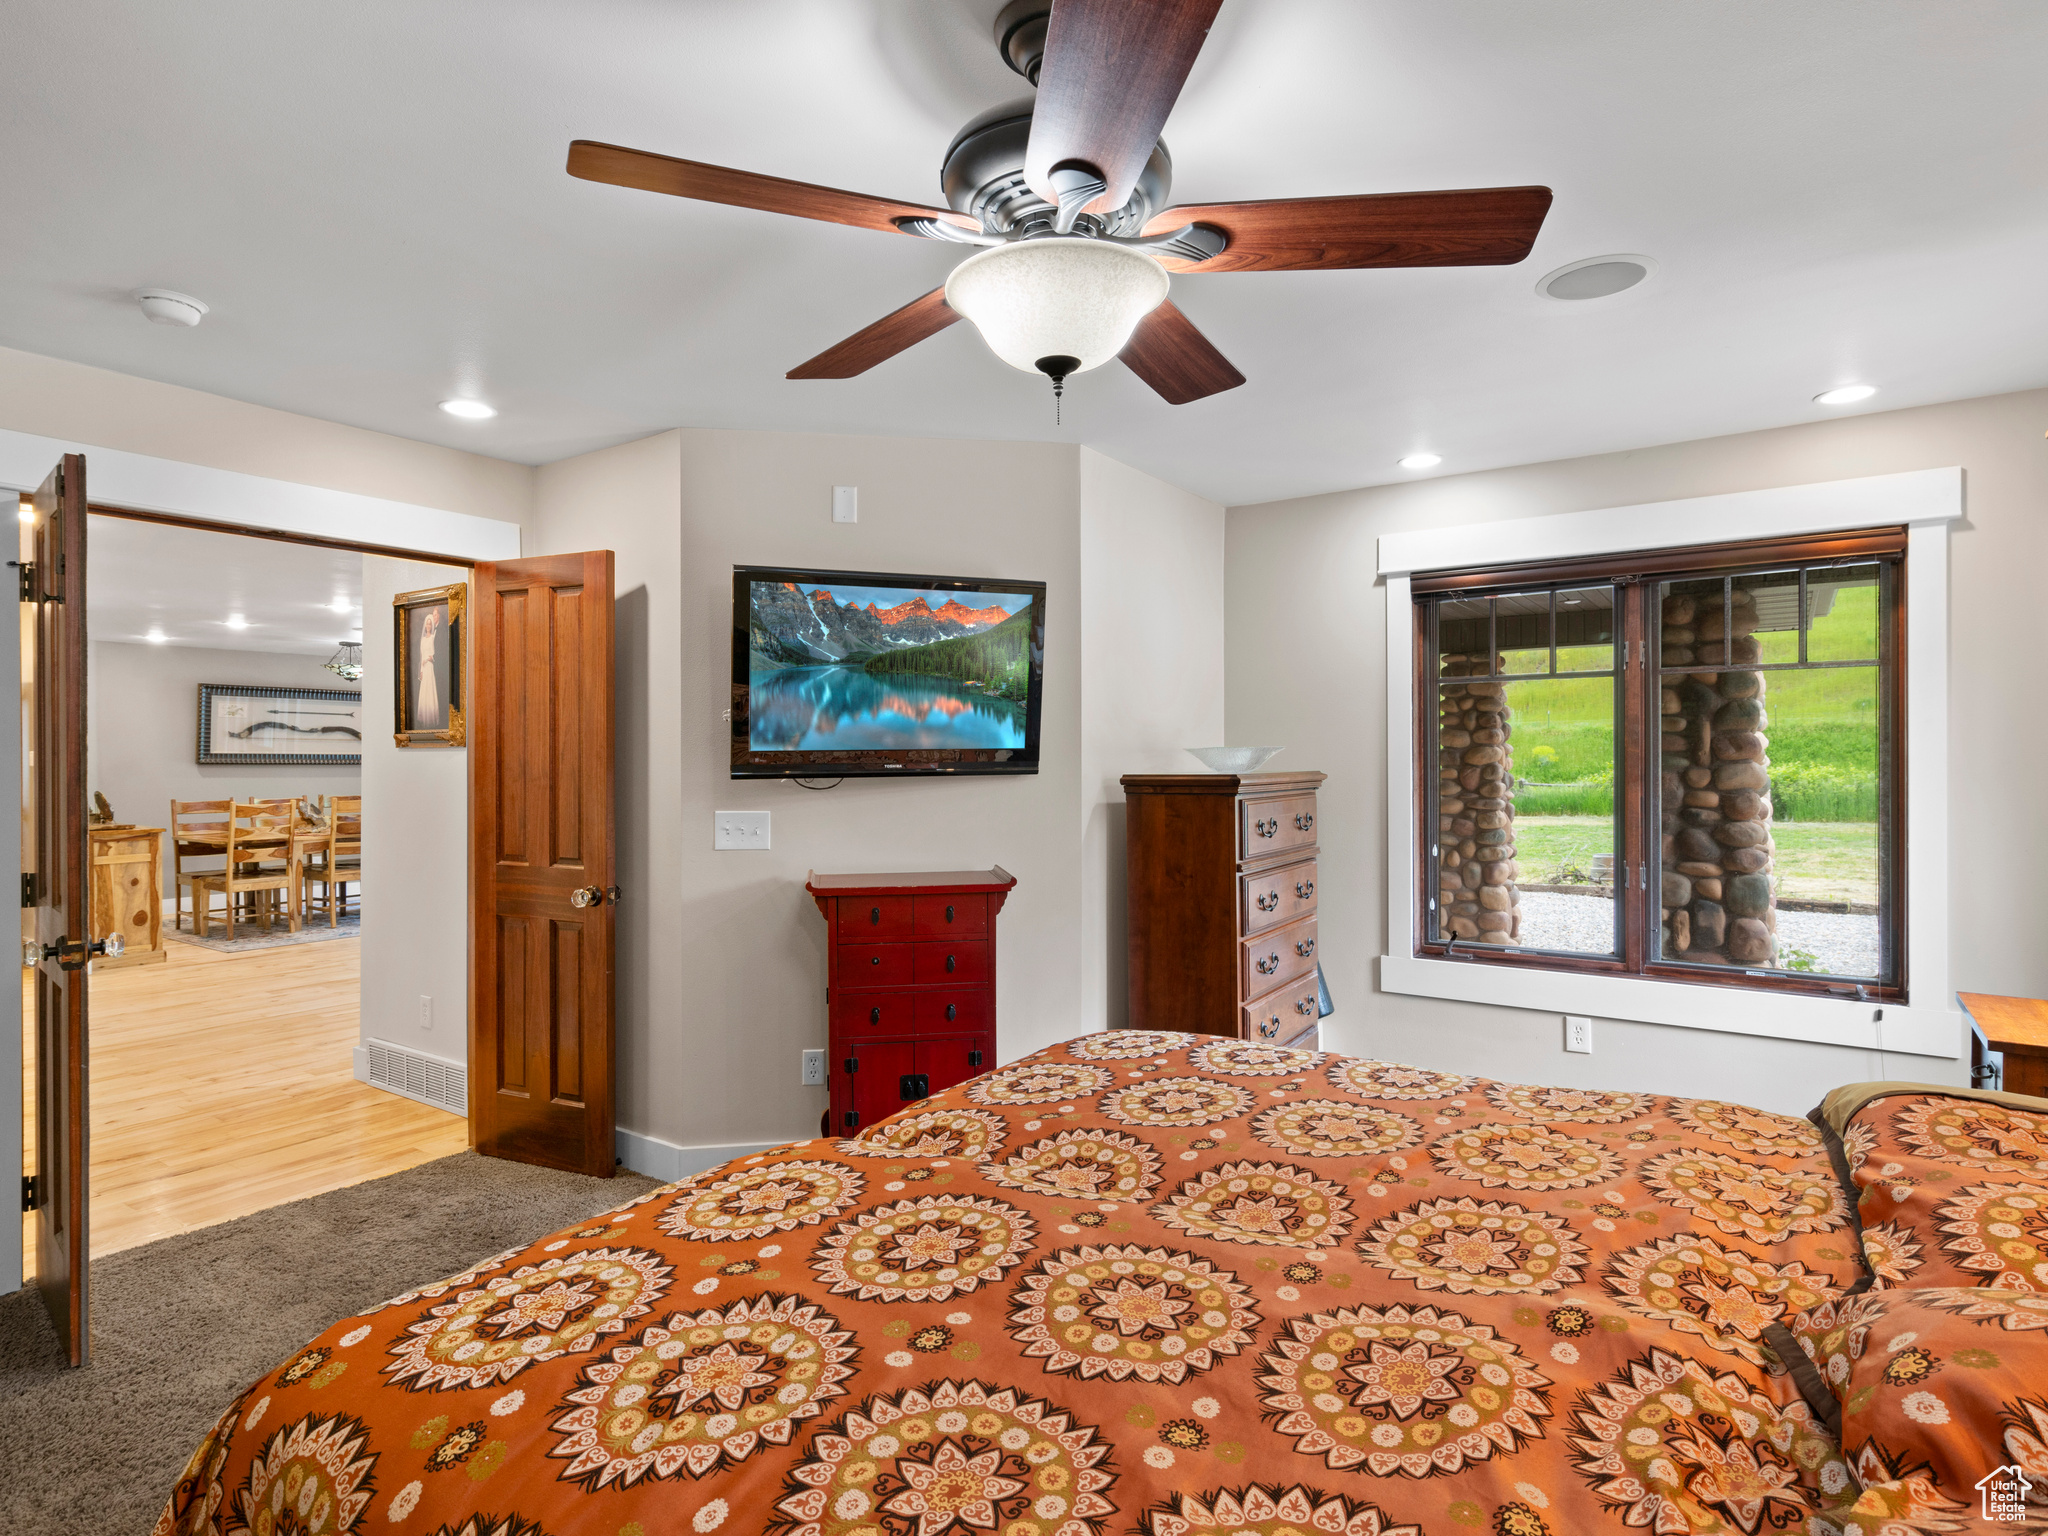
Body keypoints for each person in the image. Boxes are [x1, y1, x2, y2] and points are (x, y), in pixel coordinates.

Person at [416, 607, 442, 729]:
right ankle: (424, 719)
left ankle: (431, 718)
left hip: (430, 667)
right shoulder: (422, 640)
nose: (428, 625)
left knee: (431, 691)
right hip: (424, 668)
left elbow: (434, 653)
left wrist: (431, 658)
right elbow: (421, 656)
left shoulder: (433, 638)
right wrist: (420, 671)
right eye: (427, 623)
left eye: (430, 623)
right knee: (424, 692)